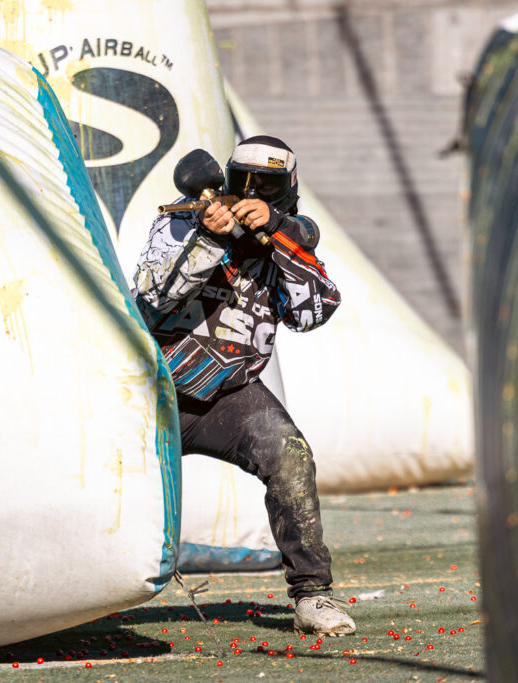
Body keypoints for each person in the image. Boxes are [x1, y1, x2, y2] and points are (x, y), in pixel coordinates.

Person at [133, 136, 354, 636]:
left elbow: (313, 312)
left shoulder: (285, 241)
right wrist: (211, 241)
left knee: (289, 455)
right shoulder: (182, 220)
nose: (252, 193)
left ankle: (312, 595)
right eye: (243, 182)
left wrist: (275, 233)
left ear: (286, 191)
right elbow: (151, 299)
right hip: (151, 386)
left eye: (267, 187)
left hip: (228, 394)